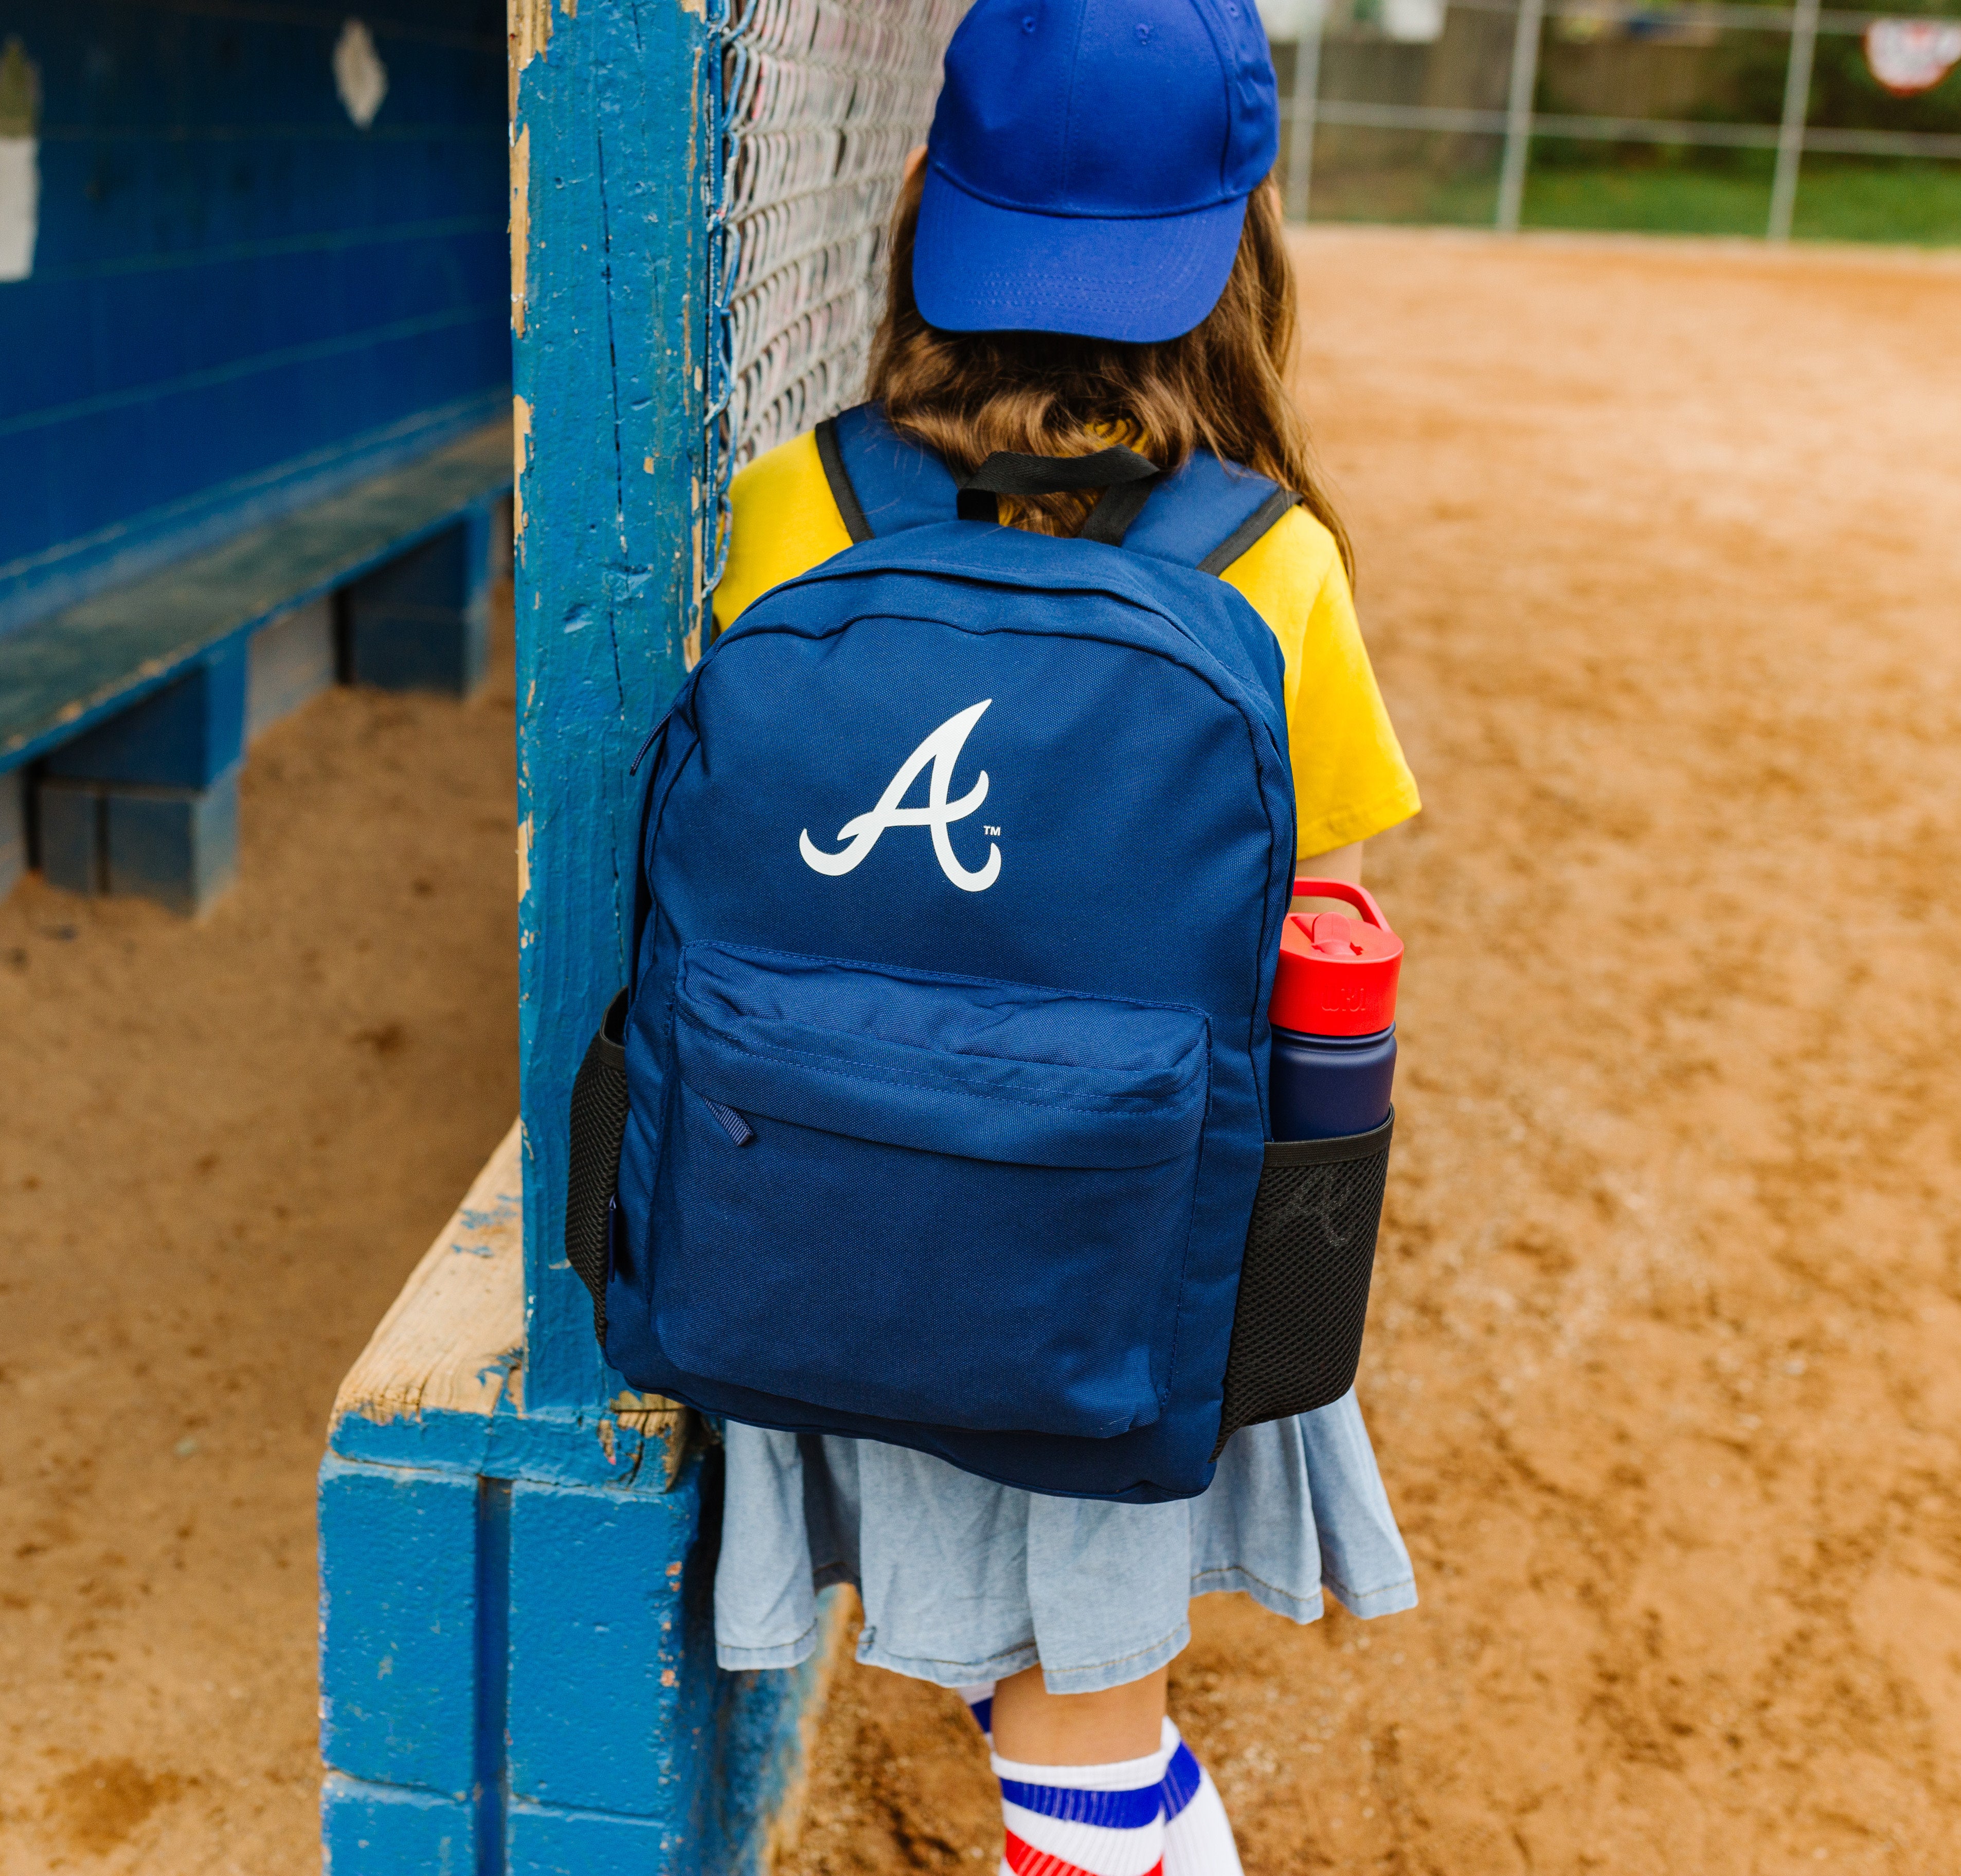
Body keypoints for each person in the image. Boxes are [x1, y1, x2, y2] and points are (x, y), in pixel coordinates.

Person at [706, 2, 1420, 1869]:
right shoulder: (1266, 559)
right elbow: (1313, 904)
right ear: (1238, 244)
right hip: (1111, 1265)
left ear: (935, 207)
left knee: (1054, 1716)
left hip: (823, 1235)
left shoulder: (807, 497)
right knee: (1085, 1726)